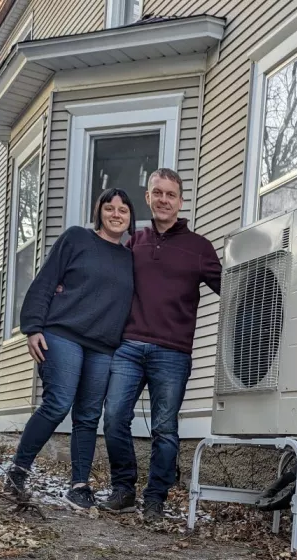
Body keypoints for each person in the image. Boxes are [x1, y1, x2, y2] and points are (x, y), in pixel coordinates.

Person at [98, 168, 222, 521]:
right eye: (158, 193)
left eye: (171, 194)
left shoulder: (199, 248)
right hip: (130, 346)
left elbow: (232, 289)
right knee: (114, 417)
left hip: (173, 352)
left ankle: (155, 499)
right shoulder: (133, 241)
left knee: (165, 429)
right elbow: (104, 279)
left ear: (181, 201)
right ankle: (123, 490)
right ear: (148, 197)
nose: (164, 199)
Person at [3, 188, 136, 510]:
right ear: (99, 212)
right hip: (63, 334)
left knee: (89, 416)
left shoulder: (130, 258)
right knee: (58, 402)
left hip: (103, 346)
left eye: (123, 209)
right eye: (109, 208)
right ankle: (18, 470)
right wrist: (32, 327)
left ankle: (79, 486)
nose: (116, 214)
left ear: (130, 217)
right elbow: (47, 280)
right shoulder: (76, 238)